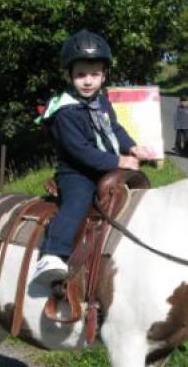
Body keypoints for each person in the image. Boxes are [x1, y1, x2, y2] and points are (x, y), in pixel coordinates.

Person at [32, 30, 152, 284]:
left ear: (104, 75)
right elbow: (81, 152)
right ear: (70, 76)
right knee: (77, 201)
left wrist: (132, 148)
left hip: (107, 165)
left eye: (94, 74)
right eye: (81, 75)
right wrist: (119, 161)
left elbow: (115, 129)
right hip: (78, 171)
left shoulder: (102, 102)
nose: (88, 81)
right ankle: (52, 253)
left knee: (141, 192)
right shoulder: (65, 111)